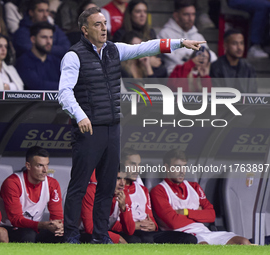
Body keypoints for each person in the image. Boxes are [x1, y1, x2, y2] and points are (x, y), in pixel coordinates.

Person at [58, 6, 205, 244]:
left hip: (113, 128)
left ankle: (100, 236)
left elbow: (146, 47)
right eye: (97, 24)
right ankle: (71, 236)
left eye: (105, 23)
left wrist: (180, 43)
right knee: (80, 185)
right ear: (84, 30)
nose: (104, 28)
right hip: (88, 129)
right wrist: (79, 115)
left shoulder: (115, 50)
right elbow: (64, 92)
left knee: (107, 186)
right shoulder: (73, 56)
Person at [150, 149, 251, 245]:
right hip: (182, 234)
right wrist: (199, 214)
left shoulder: (194, 187)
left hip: (205, 231)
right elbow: (173, 223)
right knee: (204, 247)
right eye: (177, 167)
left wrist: (186, 212)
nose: (182, 171)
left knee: (243, 242)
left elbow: (211, 215)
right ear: (167, 167)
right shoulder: (159, 191)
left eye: (184, 166)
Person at [121, 160, 197, 244]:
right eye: (132, 164)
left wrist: (154, 226)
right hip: (131, 231)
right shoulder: (117, 190)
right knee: (142, 239)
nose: (137, 168)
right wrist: (135, 226)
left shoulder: (143, 190)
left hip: (147, 231)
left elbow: (150, 217)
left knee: (189, 238)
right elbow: (110, 223)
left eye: (138, 164)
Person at [0, 146, 64, 243]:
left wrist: (58, 226)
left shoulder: (52, 184)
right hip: (10, 228)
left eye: (47, 165)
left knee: (64, 235)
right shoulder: (13, 183)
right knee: (28, 234)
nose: (45, 170)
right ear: (28, 166)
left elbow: (57, 215)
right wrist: (42, 225)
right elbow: (16, 220)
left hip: (35, 228)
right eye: (40, 166)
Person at [157, 0, 217, 75]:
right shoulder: (164, 35)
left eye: (193, 14)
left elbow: (212, 58)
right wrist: (195, 55)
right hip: (175, 78)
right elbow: (176, 62)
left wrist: (187, 54)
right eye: (186, 14)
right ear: (176, 16)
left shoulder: (198, 36)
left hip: (198, 78)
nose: (191, 18)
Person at [80, 169, 135, 243]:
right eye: (118, 179)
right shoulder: (91, 191)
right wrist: (117, 238)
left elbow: (130, 231)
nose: (122, 184)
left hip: (102, 232)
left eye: (124, 179)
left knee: (134, 239)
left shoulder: (123, 194)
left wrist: (124, 209)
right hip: (83, 233)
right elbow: (89, 228)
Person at [113, 0, 166, 72]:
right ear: (130, 14)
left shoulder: (150, 32)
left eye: (145, 11)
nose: (142, 15)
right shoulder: (120, 34)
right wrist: (149, 59)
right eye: (138, 11)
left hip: (151, 71)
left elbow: (160, 56)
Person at [15, 22, 61, 90]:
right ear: (33, 39)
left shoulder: (56, 62)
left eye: (51, 37)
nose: (49, 41)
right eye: (44, 37)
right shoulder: (23, 62)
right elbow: (37, 86)